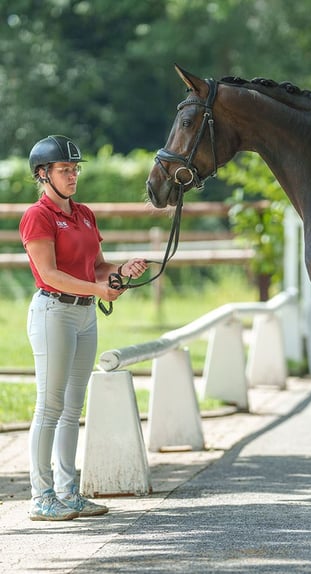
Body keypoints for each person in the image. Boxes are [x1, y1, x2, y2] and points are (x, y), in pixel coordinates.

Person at [19, 135, 148, 521]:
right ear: (43, 174)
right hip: (53, 313)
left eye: (75, 169)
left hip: (85, 313)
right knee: (50, 405)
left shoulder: (85, 214)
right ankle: (41, 495)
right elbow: (50, 274)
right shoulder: (37, 216)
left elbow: (98, 266)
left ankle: (67, 491)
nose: (73, 175)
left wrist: (121, 272)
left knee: (73, 407)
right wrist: (99, 289)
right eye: (64, 170)